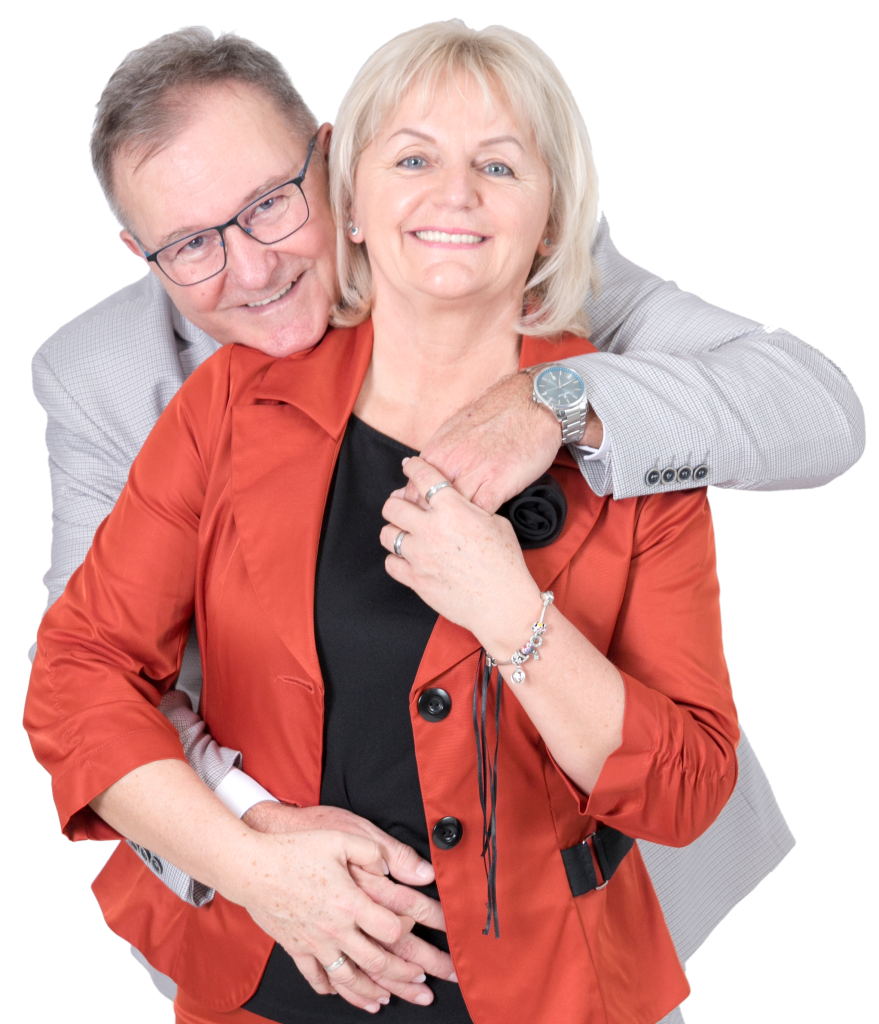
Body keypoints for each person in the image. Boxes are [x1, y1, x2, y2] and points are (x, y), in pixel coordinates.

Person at [25, 21, 863, 1023]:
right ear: (141, 250)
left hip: (567, 931)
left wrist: (556, 407)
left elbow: (818, 413)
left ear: (331, 163)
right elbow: (84, 675)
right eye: (192, 244)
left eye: (269, 204)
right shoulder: (137, 384)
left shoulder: (537, 282)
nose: (250, 270)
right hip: (264, 935)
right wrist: (254, 853)